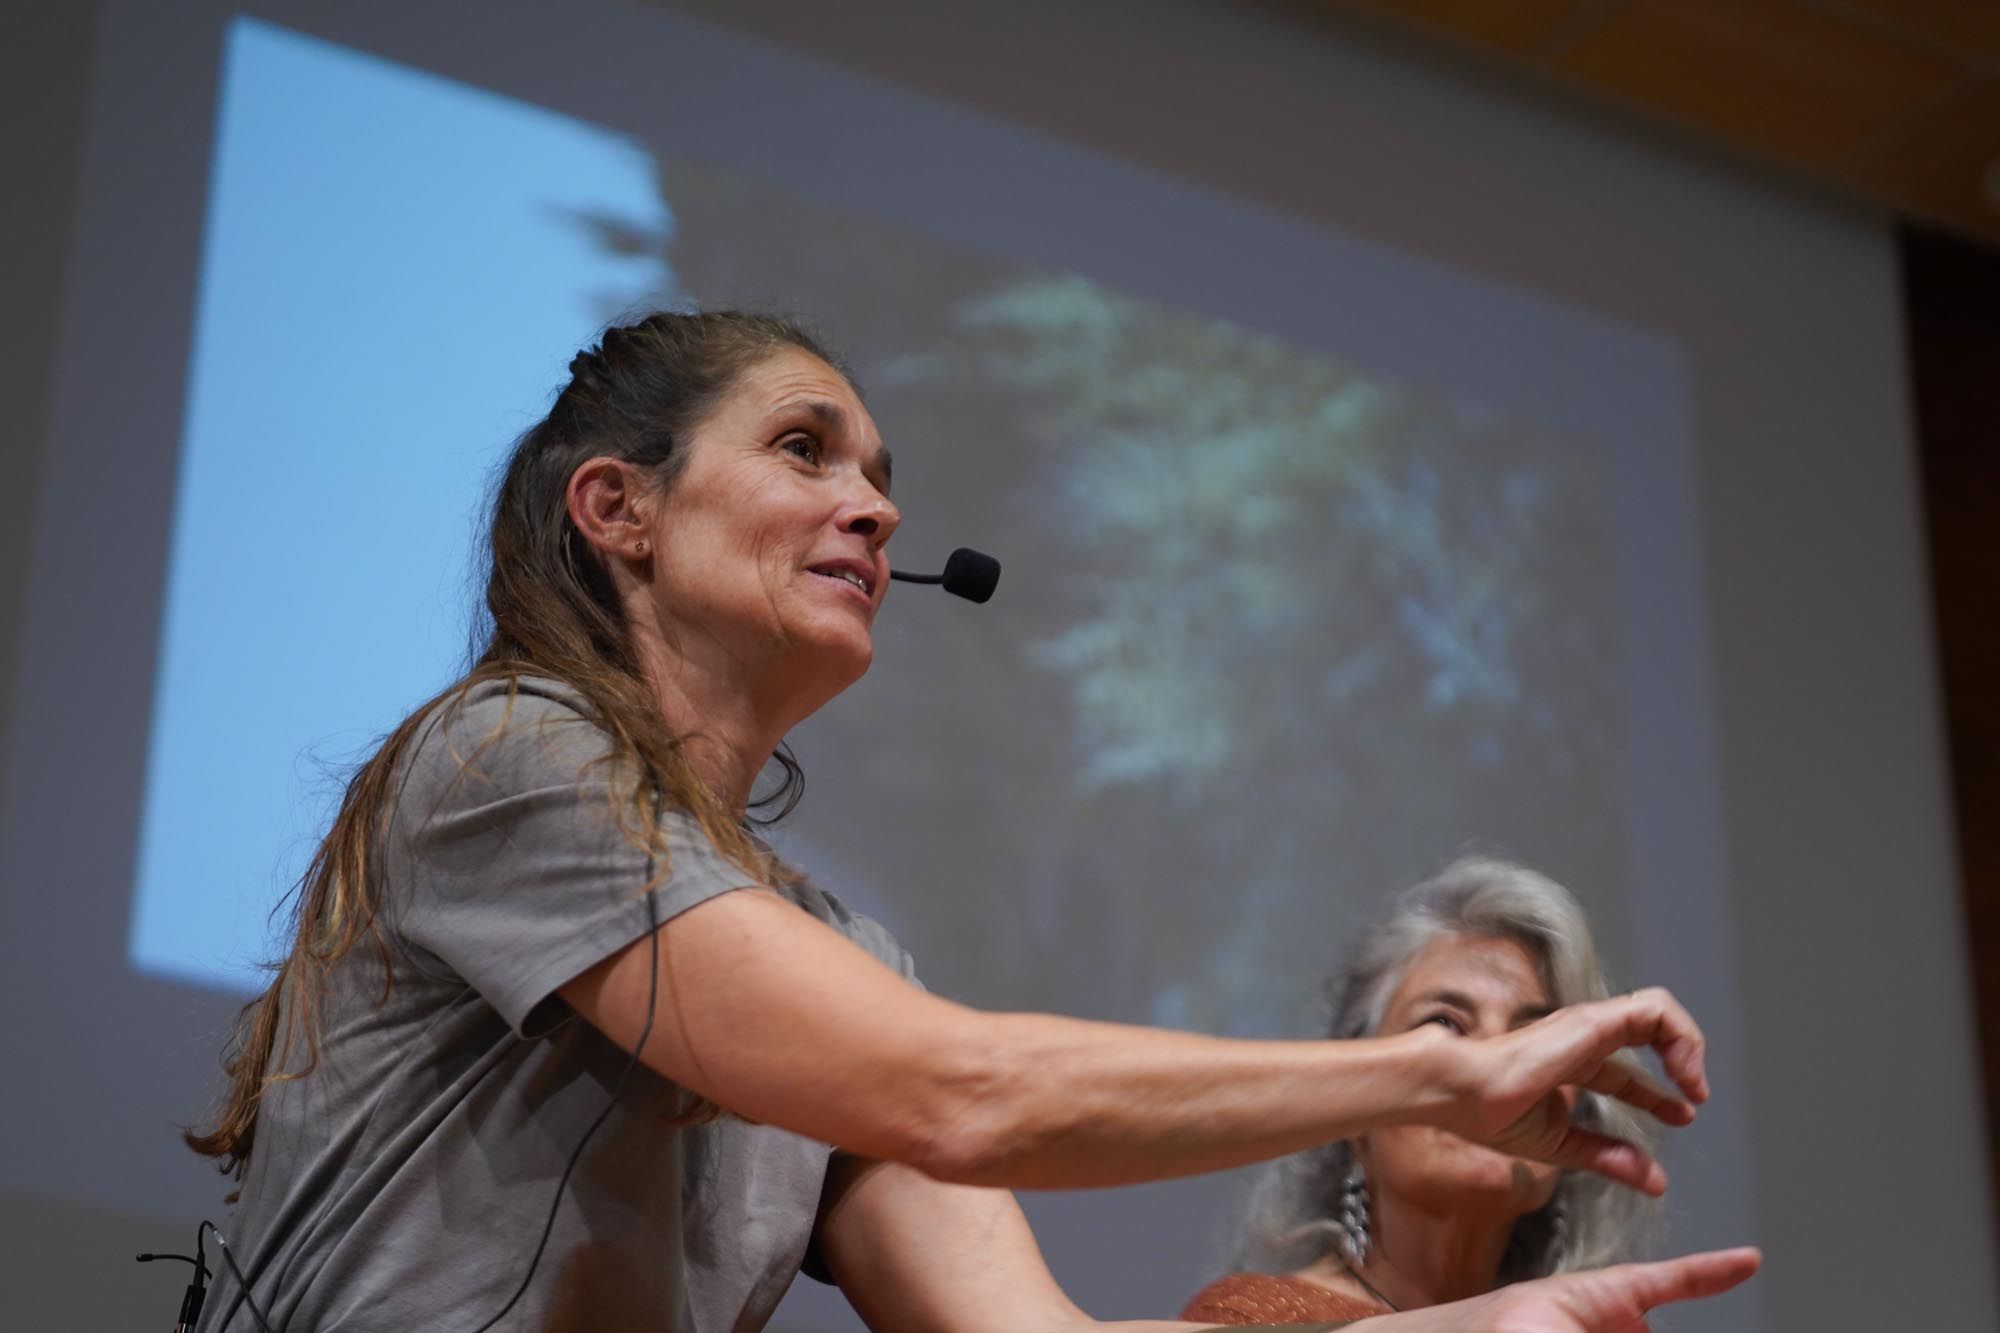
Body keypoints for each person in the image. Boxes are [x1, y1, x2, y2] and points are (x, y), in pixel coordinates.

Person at [184, 311, 1754, 1332]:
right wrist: (1438, 1072)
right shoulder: (510, 758)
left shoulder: (845, 953)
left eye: (881, 476)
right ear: (620, 510)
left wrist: (1464, 1330)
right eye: (805, 451)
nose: (872, 508)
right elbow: (963, 1091)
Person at [1183, 859, 1661, 1325]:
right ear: (1351, 1107)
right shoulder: (1254, 1321)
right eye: (1445, 1025)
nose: (1496, 1074)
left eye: (1533, 1041)